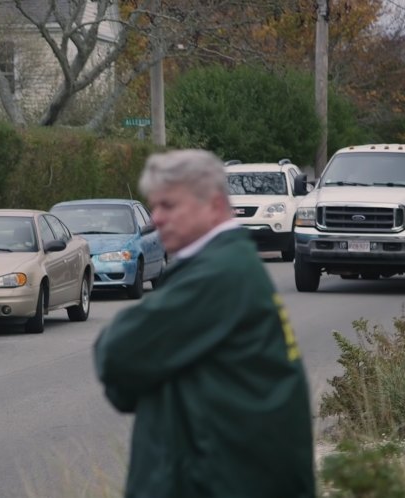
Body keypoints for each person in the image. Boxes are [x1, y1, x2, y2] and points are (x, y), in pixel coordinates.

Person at [93, 149, 316, 498]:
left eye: (169, 206)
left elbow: (117, 354)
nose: (156, 218)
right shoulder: (224, 263)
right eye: (154, 206)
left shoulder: (220, 273)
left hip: (223, 480)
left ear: (212, 205)